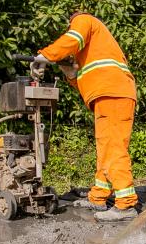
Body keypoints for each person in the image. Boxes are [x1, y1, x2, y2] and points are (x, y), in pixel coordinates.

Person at [30, 12, 139, 222]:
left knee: (113, 147)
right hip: (110, 93)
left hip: (113, 92)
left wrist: (45, 55)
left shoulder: (84, 20)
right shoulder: (94, 48)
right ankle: (98, 196)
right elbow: (83, 79)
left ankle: (126, 205)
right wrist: (69, 72)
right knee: (105, 147)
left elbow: (74, 39)